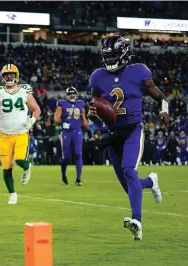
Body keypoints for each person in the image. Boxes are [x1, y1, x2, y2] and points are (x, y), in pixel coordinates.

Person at [88, 36, 168, 241]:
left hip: (133, 129)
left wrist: (164, 109)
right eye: (107, 56)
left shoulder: (138, 71)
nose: (110, 59)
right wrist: (92, 113)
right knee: (129, 185)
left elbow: (159, 96)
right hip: (113, 134)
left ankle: (137, 221)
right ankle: (151, 181)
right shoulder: (98, 76)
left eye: (113, 55)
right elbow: (94, 104)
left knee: (129, 170)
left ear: (124, 54)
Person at [0, 64, 41, 204]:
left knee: (20, 160)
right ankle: (12, 194)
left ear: (17, 76)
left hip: (21, 133)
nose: (9, 76)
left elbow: (36, 109)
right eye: (6, 75)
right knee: (7, 167)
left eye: (12, 74)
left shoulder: (25, 90)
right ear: (3, 77)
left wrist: (32, 120)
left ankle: (27, 168)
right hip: (4, 135)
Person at [54, 87, 89, 186]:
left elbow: (83, 118)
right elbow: (56, 119)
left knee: (78, 154)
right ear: (67, 95)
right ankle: (64, 174)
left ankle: (78, 178)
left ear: (76, 94)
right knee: (66, 157)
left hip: (77, 132)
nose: (72, 95)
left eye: (73, 93)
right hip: (66, 132)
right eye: (70, 94)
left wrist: (86, 125)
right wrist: (62, 122)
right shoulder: (62, 104)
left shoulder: (80, 104)